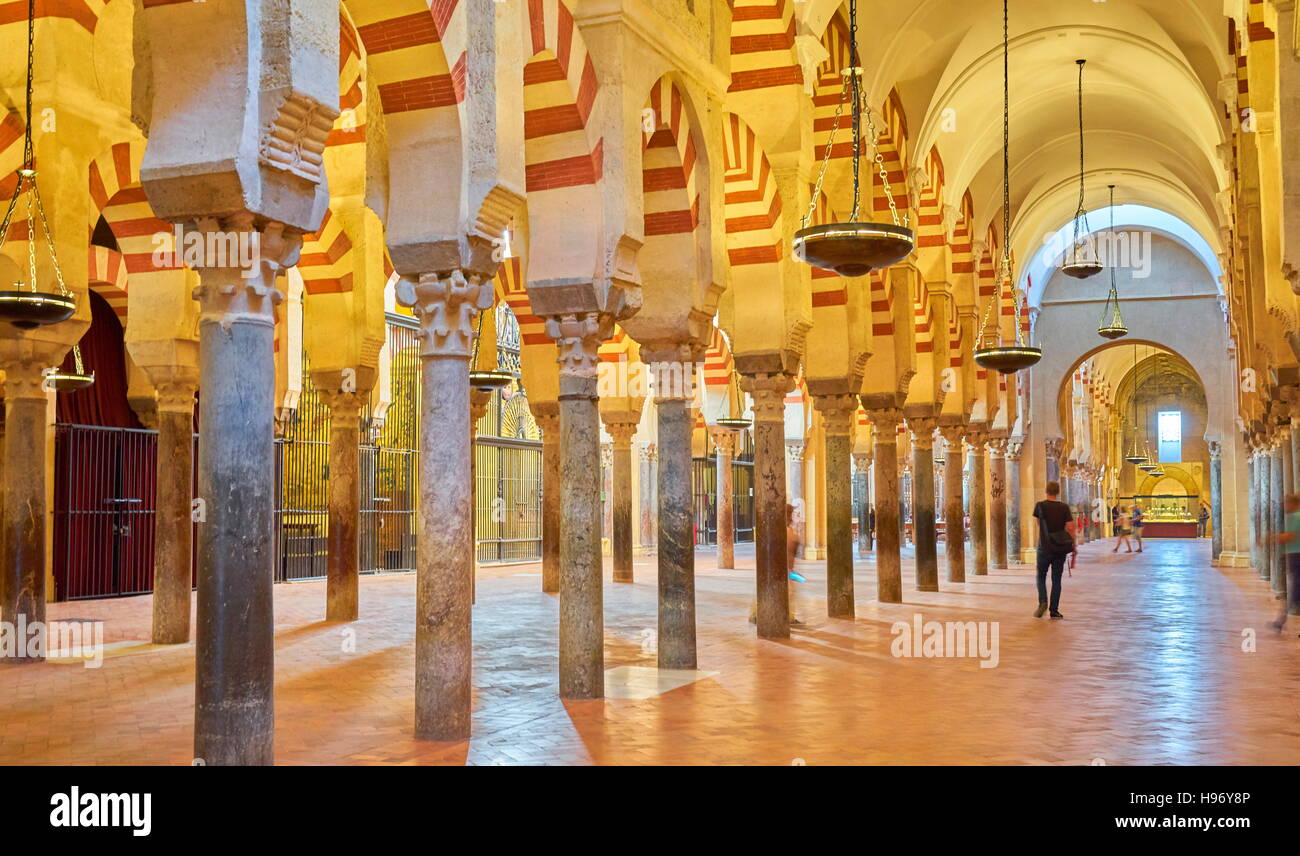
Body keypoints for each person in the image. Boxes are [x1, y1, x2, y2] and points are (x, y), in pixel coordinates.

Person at [1032, 480, 1075, 619]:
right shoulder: (1064, 507)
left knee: (1041, 576)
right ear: (1058, 492)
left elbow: (1039, 523)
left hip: (1044, 546)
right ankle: (1054, 610)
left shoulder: (1040, 506)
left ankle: (1043, 602)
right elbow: (1070, 526)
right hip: (1059, 547)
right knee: (1056, 579)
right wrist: (1073, 543)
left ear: (1046, 491)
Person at [1270, 493, 1300, 635]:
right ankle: (1281, 620)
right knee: (1295, 591)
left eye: (1286, 504)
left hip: (1297, 557)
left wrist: (1270, 538)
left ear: (1293, 504)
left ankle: (1281, 620)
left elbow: (1290, 536)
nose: (1284, 507)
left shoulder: (1296, 516)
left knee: (1295, 591)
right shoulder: (1293, 516)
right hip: (1294, 556)